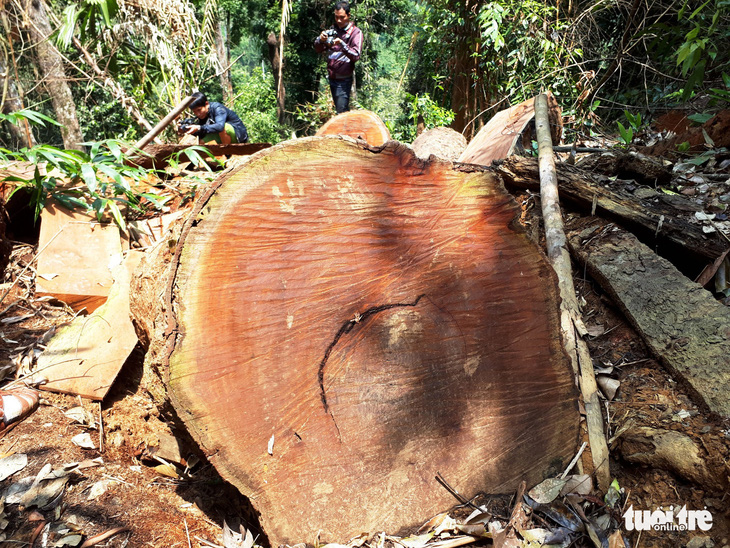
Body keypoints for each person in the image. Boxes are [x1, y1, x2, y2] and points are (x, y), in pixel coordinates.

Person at [313, 1, 362, 113]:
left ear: (348, 16)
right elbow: (318, 49)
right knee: (340, 111)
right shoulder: (333, 29)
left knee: (342, 112)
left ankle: (347, 130)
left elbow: (356, 56)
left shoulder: (355, 33)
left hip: (343, 80)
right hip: (332, 78)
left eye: (342, 17)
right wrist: (321, 39)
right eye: (336, 17)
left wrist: (342, 44)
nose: (339, 20)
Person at [182, 92, 249, 144]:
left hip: (238, 135)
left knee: (223, 127)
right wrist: (187, 130)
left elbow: (220, 127)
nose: (198, 114)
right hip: (219, 135)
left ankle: (227, 153)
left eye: (199, 110)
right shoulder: (202, 115)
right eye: (194, 111)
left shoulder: (218, 108)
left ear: (207, 104)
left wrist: (199, 127)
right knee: (200, 142)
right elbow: (203, 132)